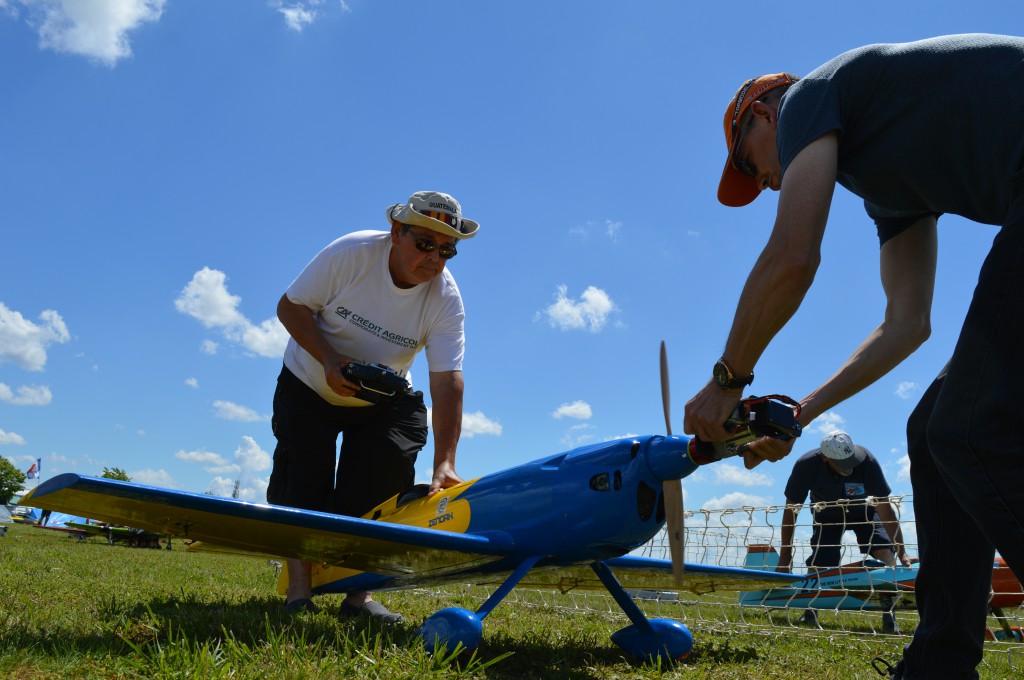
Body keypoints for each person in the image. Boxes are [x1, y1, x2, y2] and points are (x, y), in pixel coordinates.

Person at [682, 34, 1024, 678]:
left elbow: (793, 257)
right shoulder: (888, 185)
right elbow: (905, 324)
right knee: (934, 429)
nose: (766, 181)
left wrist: (727, 380)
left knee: (973, 426)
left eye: (752, 166)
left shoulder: (811, 94)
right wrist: (800, 413)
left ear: (762, 113)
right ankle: (940, 665)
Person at [267, 190, 479, 623]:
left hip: (383, 398)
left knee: (382, 484)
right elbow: (290, 307)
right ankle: (299, 593)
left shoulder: (446, 299)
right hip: (309, 382)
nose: (434, 259)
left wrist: (445, 462)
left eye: (446, 250)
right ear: (396, 232)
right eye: (424, 243)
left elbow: (447, 379)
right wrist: (329, 360)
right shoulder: (352, 253)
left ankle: (358, 598)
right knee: (303, 482)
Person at [777, 430, 913, 633]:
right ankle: (810, 611)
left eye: (851, 461)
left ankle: (889, 615)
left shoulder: (866, 460)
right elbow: (791, 512)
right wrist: (785, 557)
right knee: (822, 560)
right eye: (842, 463)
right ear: (825, 458)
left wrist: (901, 550)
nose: (849, 468)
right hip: (827, 514)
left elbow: (885, 508)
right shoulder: (806, 465)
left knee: (885, 552)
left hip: (864, 512)